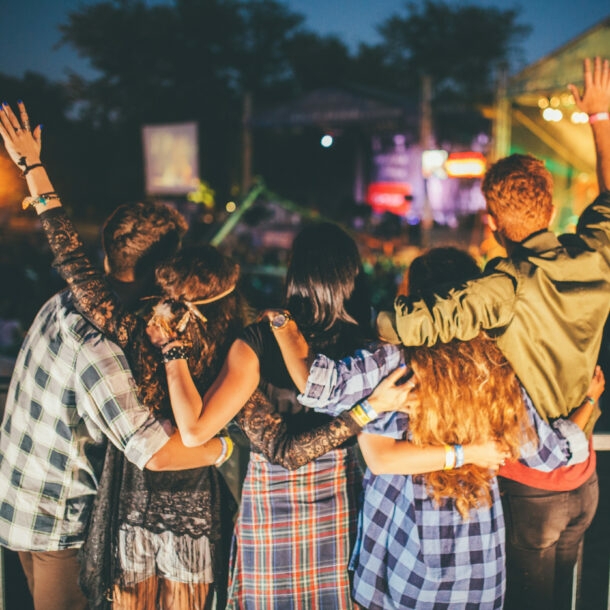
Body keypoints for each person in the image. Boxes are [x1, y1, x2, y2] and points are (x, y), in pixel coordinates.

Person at [373, 57, 610, 610]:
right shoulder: (596, 256)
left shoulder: (507, 282)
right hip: (585, 485)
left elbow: (412, 323)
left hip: (531, 488)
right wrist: (599, 117)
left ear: (495, 222)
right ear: (550, 207)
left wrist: (371, 317)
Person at [0, 102, 246, 610]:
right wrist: (229, 448)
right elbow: (155, 453)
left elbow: (66, 249)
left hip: (17, 494)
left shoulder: (67, 297)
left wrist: (34, 168)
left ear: (108, 254)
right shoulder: (102, 345)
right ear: (165, 270)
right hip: (55, 520)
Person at [270, 245, 598, 609]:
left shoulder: (392, 359)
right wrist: (589, 402)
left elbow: (320, 386)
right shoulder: (497, 367)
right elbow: (551, 454)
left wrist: (281, 321)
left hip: (401, 560)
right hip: (477, 563)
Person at [144, 221, 401, 609]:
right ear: (352, 278)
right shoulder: (370, 345)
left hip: (271, 508)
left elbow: (195, 431)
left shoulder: (259, 341)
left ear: (293, 276)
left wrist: (171, 349)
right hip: (346, 504)